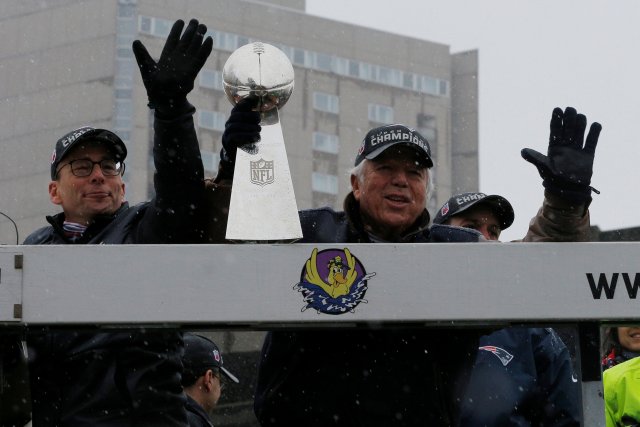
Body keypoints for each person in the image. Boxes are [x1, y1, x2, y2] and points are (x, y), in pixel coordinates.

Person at [209, 110, 487, 425]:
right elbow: (227, 252)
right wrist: (233, 172)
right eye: (385, 168)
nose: (400, 180)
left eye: (414, 172)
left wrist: (557, 212)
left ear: (427, 190)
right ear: (356, 183)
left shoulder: (459, 251)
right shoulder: (309, 232)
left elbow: (526, 280)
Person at [22, 18, 212, 426]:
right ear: (55, 192)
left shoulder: (144, 228)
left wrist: (171, 109)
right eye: (82, 166)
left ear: (122, 186)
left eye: (108, 166)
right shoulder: (33, 250)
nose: (98, 175)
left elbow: (184, 195)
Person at [433, 192, 580, 425]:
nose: (485, 239)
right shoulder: (415, 319)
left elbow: (565, 417)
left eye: (493, 231)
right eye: (470, 226)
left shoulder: (530, 329)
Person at [182, 333, 240, 427]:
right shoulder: (194, 422)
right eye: (221, 382)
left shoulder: (163, 415)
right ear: (209, 379)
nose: (220, 389)